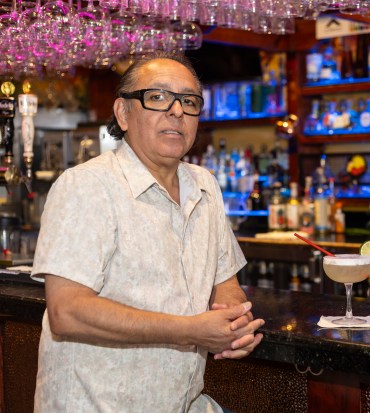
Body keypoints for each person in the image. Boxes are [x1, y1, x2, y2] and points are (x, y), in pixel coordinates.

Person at [31, 51, 264, 412]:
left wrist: (234, 324)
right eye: (157, 97)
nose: (177, 111)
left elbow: (226, 281)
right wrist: (191, 330)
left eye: (189, 101)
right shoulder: (87, 186)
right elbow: (67, 312)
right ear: (123, 113)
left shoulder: (204, 185)